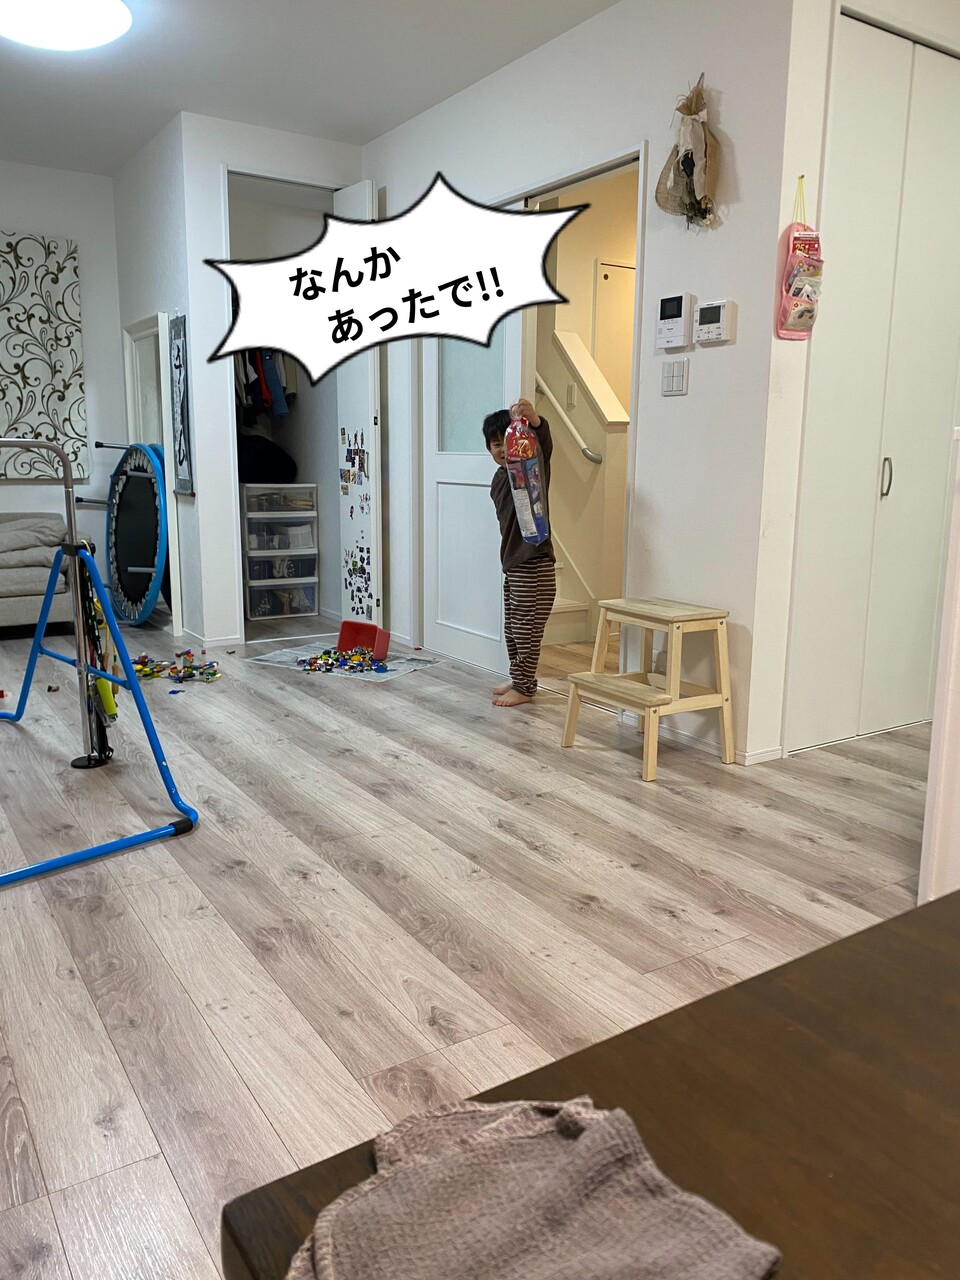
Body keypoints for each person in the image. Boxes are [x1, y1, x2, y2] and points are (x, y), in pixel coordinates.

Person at [483, 396, 557, 707]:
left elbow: (544, 448)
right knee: (512, 628)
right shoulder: (499, 478)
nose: (502, 449)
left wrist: (535, 423)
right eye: (495, 444)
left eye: (506, 442)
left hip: (533, 562)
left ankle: (525, 687)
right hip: (513, 563)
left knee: (526, 629)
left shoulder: (530, 471)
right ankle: (519, 678)